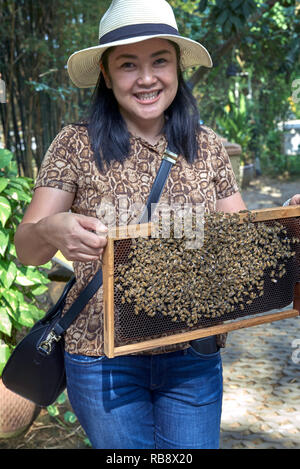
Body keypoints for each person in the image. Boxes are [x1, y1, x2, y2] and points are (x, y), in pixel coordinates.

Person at [14, 0, 300, 449]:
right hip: (102, 360)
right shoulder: (74, 144)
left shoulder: (207, 147)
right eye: (128, 65)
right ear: (107, 75)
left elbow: (244, 241)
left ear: (177, 68)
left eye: (159, 61)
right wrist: (52, 229)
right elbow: (26, 251)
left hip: (194, 357)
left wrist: (288, 219)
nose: (146, 78)